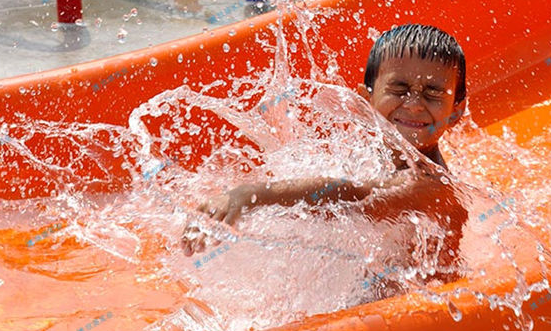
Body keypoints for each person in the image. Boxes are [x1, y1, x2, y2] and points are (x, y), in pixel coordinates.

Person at [180, 23, 469, 297]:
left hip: (423, 308)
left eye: (432, 94)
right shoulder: (378, 154)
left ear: (456, 111)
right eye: (399, 89)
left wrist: (250, 196)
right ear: (365, 100)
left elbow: (352, 196)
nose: (414, 103)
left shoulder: (431, 185)